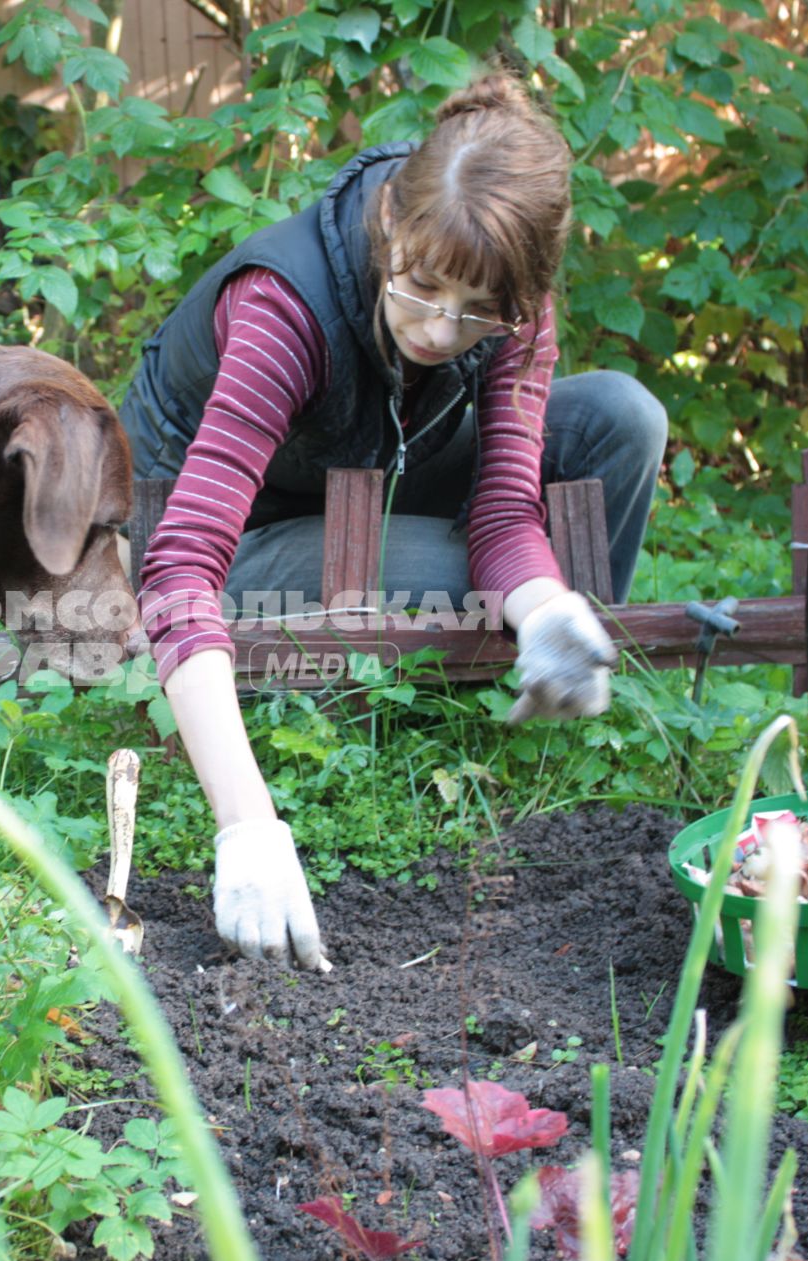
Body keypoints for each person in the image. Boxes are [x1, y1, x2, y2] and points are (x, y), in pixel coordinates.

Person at [119, 70, 668, 972]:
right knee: (450, 584)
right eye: (420, 289)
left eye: (478, 313)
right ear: (388, 227)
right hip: (235, 528)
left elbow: (503, 507)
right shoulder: (283, 308)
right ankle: (398, 696)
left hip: (370, 466)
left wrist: (545, 607)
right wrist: (247, 826)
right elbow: (180, 570)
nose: (443, 330)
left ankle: (516, 675)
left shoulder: (507, 300)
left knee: (620, 416)